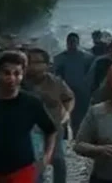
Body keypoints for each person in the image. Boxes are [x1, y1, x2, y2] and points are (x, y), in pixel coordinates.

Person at [0, 51, 58, 183]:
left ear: (22, 75)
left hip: (22, 171)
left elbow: (51, 130)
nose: (11, 78)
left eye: (17, 74)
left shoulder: (31, 103)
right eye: (6, 73)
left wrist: (46, 158)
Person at [22, 49, 74, 183]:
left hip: (54, 127)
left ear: (47, 65)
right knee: (37, 160)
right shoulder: (20, 81)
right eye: (31, 62)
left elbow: (69, 97)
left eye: (38, 62)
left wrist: (67, 113)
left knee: (58, 160)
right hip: (31, 129)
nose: (34, 65)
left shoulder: (56, 82)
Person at [53, 32, 95, 133]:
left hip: (83, 91)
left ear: (78, 42)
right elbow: (56, 75)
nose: (72, 44)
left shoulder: (88, 58)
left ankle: (79, 134)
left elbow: (92, 75)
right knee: (65, 114)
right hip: (65, 90)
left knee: (81, 115)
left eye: (74, 42)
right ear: (67, 43)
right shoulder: (60, 58)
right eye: (70, 42)